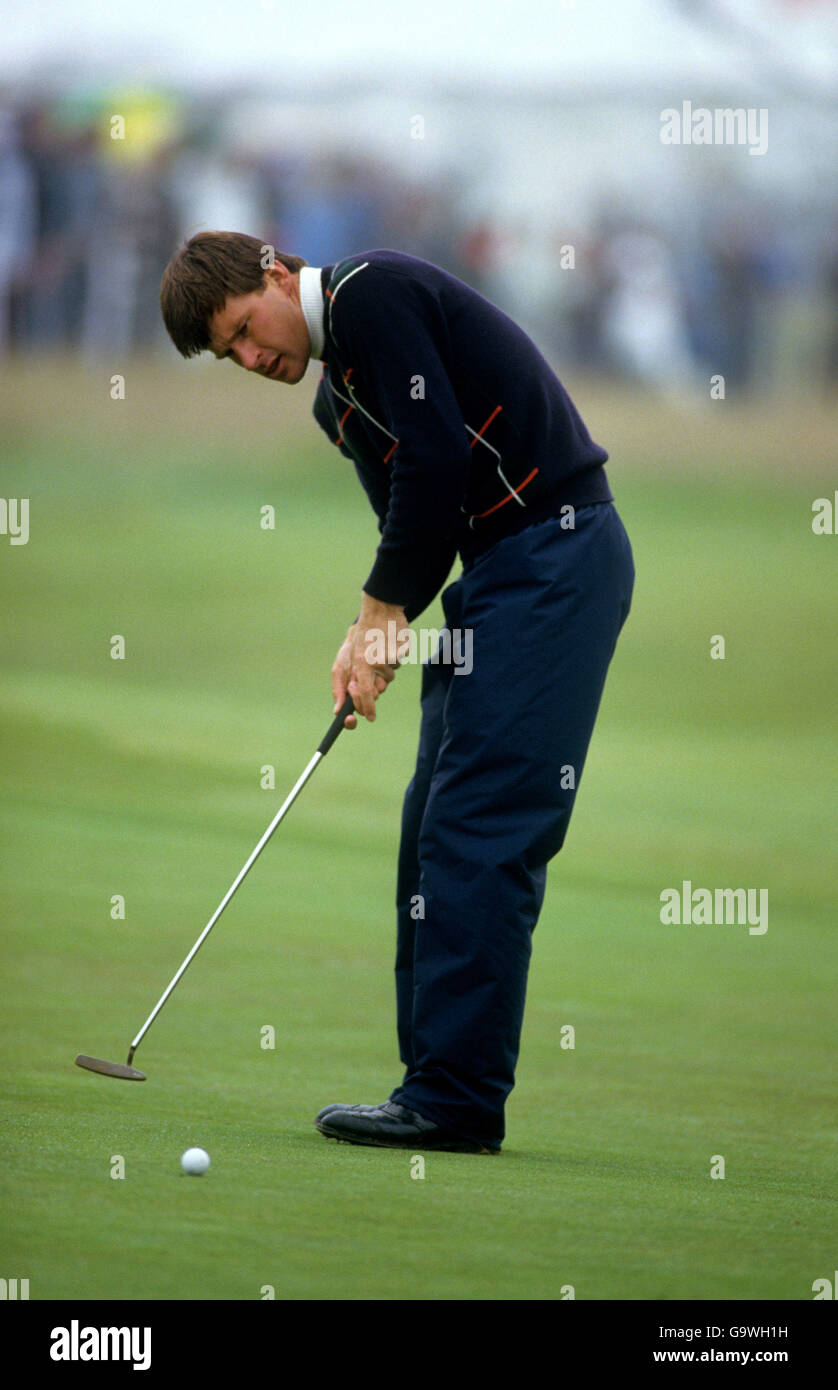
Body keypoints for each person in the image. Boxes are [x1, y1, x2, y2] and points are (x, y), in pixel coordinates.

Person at [160, 232, 635, 1155]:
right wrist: (369, 640)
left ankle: (454, 1103)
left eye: (244, 331)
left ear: (272, 270)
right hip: (494, 580)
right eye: (232, 357)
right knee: (431, 827)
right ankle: (430, 1084)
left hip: (558, 555)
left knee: (479, 825)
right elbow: (413, 529)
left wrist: (379, 613)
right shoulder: (337, 401)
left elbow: (436, 457)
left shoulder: (371, 294)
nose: (254, 359)